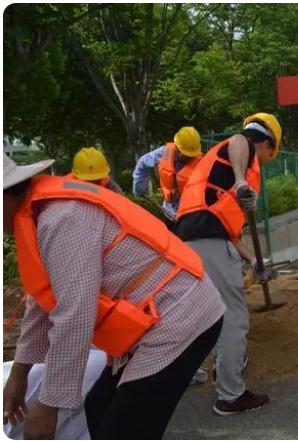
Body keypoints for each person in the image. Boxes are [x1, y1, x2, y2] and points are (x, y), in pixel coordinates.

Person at [2, 154, 225, 439]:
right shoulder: (38, 216)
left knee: (122, 430)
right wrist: (19, 376)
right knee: (97, 408)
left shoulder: (62, 219)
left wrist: (48, 405)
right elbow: (43, 302)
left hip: (180, 317)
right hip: (154, 320)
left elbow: (74, 315)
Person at [174, 113, 280, 416]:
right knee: (232, 317)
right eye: (267, 156)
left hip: (191, 239)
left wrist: (254, 262)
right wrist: (241, 180)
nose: (263, 162)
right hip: (206, 239)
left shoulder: (214, 176)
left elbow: (227, 233)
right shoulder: (240, 145)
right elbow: (239, 140)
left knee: (202, 315)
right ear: (265, 143)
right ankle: (230, 396)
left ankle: (205, 372)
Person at [132, 126, 203, 226]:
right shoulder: (165, 152)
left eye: (192, 155)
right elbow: (143, 162)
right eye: (186, 154)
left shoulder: (202, 163)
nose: (189, 157)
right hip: (169, 213)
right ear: (177, 148)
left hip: (190, 217)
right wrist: (138, 188)